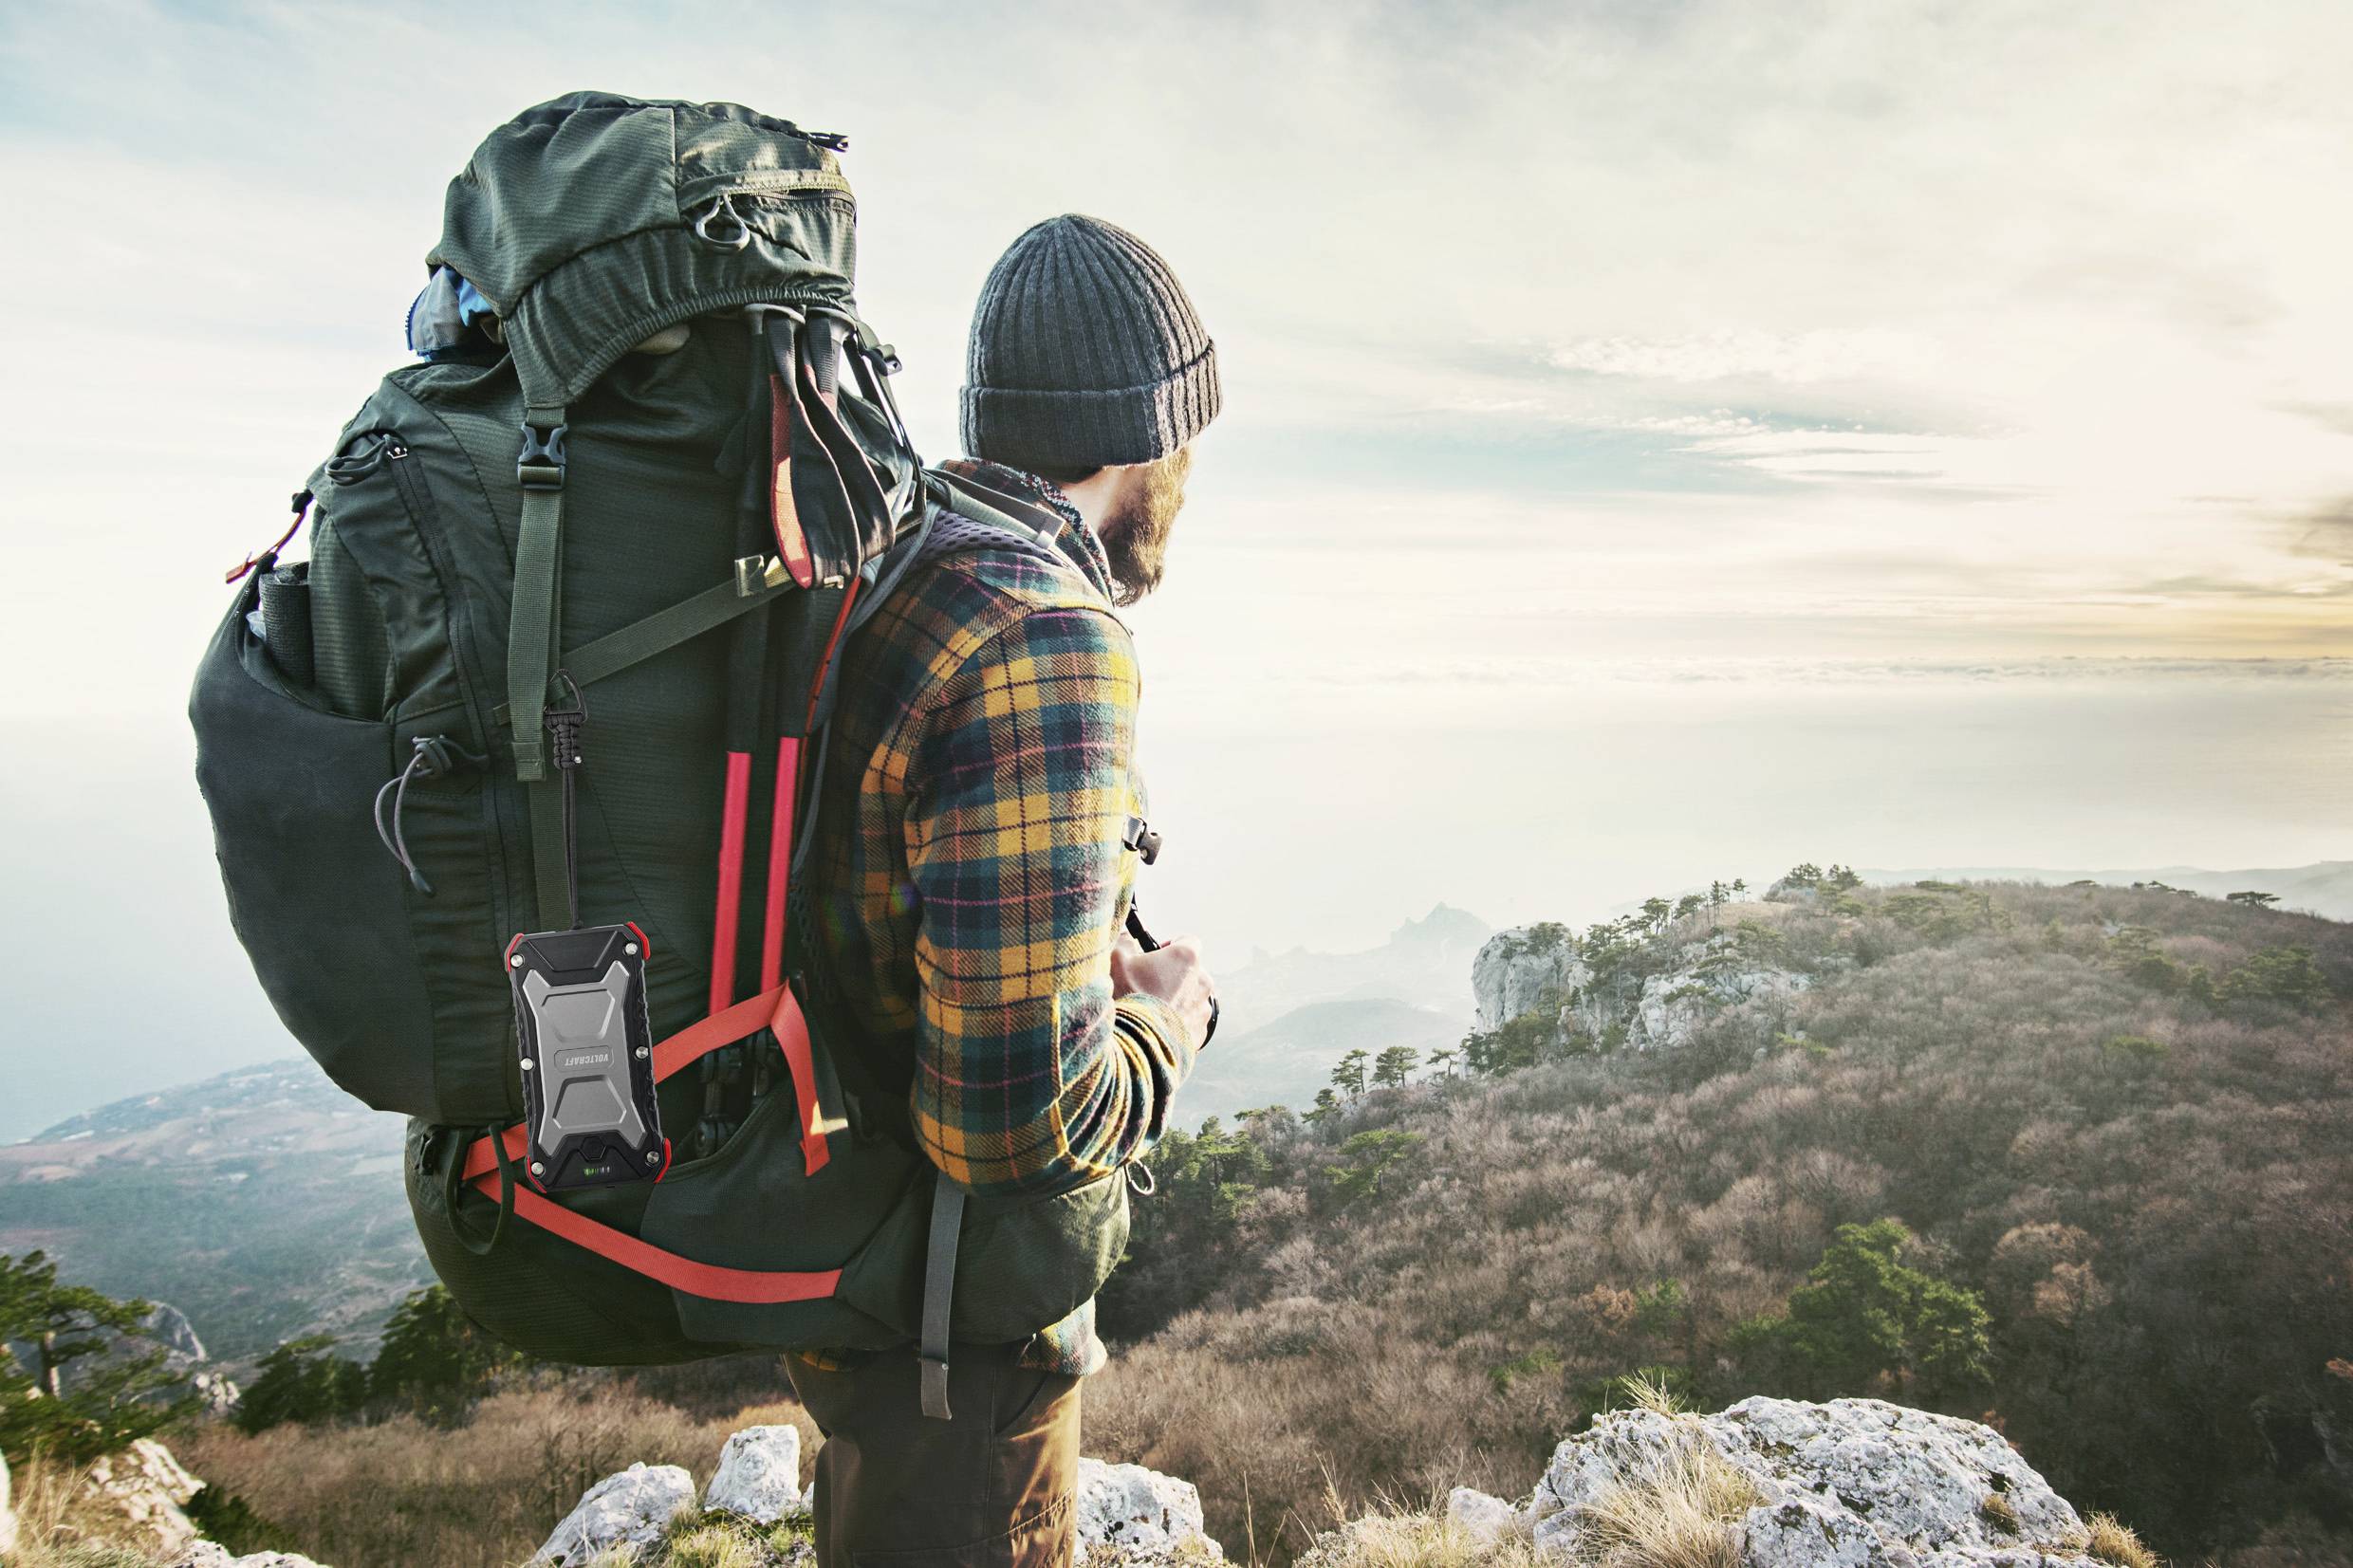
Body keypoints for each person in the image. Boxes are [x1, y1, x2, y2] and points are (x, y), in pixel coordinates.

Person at [787, 213, 1223, 1566]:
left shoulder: (904, 549)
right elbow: (1019, 1133)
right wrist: (1168, 1021)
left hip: (856, 1277)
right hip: (954, 1350)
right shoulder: (1044, 634)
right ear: (1141, 440)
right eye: (1189, 444)